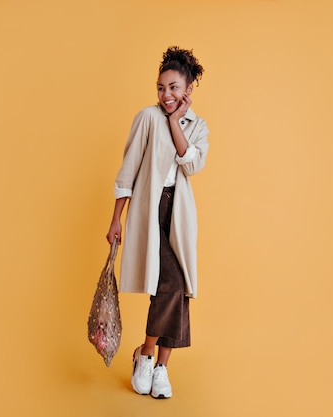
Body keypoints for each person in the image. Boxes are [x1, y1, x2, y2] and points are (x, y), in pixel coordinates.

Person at [105, 46, 209, 399]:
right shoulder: (146, 118)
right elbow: (128, 170)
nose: (166, 95)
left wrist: (175, 121)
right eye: (161, 87)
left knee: (179, 288)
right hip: (150, 209)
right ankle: (146, 354)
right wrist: (116, 219)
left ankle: (159, 366)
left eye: (174, 88)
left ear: (188, 90)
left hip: (178, 214)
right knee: (171, 284)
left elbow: (191, 165)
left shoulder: (197, 126)